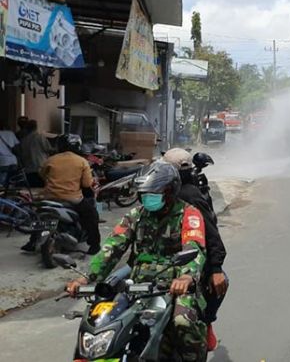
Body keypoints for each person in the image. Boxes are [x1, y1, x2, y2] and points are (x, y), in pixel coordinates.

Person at [66, 161, 208, 361]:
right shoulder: (135, 215)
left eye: (154, 193)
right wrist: (87, 278)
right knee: (100, 319)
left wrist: (186, 276)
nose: (148, 198)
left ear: (169, 192)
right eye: (145, 194)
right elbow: (112, 247)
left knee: (182, 322)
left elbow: (194, 248)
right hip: (136, 283)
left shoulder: (189, 214)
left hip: (174, 284)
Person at [163, 148, 228, 352]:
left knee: (185, 321)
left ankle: (204, 326)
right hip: (157, 263)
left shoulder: (189, 196)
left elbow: (202, 237)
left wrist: (214, 267)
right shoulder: (162, 196)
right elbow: (119, 241)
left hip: (182, 261)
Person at [22, 134, 101, 253]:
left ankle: (32, 242)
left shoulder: (51, 159)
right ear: (77, 146)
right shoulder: (82, 161)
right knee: (92, 215)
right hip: (72, 199)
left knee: (38, 217)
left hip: (49, 197)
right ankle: (94, 245)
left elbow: (42, 175)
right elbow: (86, 184)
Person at [18, 120, 52, 187]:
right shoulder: (40, 137)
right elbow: (48, 149)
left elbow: (21, 153)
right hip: (40, 168)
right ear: (36, 127)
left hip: (28, 169)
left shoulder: (24, 140)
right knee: (41, 189)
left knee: (32, 190)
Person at [0, 120, 20, 186]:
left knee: (2, 183)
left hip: (2, 161)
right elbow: (17, 148)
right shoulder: (10, 133)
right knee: (12, 181)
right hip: (13, 161)